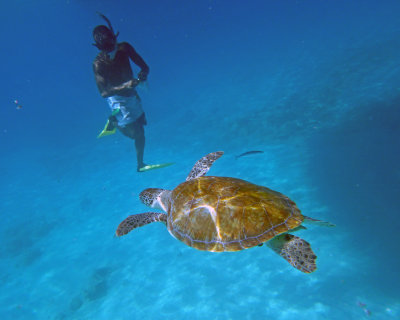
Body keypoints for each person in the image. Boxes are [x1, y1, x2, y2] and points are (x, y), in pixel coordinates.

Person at [92, 13, 150, 172]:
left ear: (115, 38)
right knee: (137, 134)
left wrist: (143, 74)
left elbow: (144, 66)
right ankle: (115, 123)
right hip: (117, 99)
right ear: (99, 48)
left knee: (142, 123)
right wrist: (125, 85)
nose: (112, 52)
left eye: (112, 46)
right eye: (107, 50)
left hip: (132, 92)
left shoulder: (124, 47)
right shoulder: (98, 64)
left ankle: (140, 163)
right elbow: (104, 93)